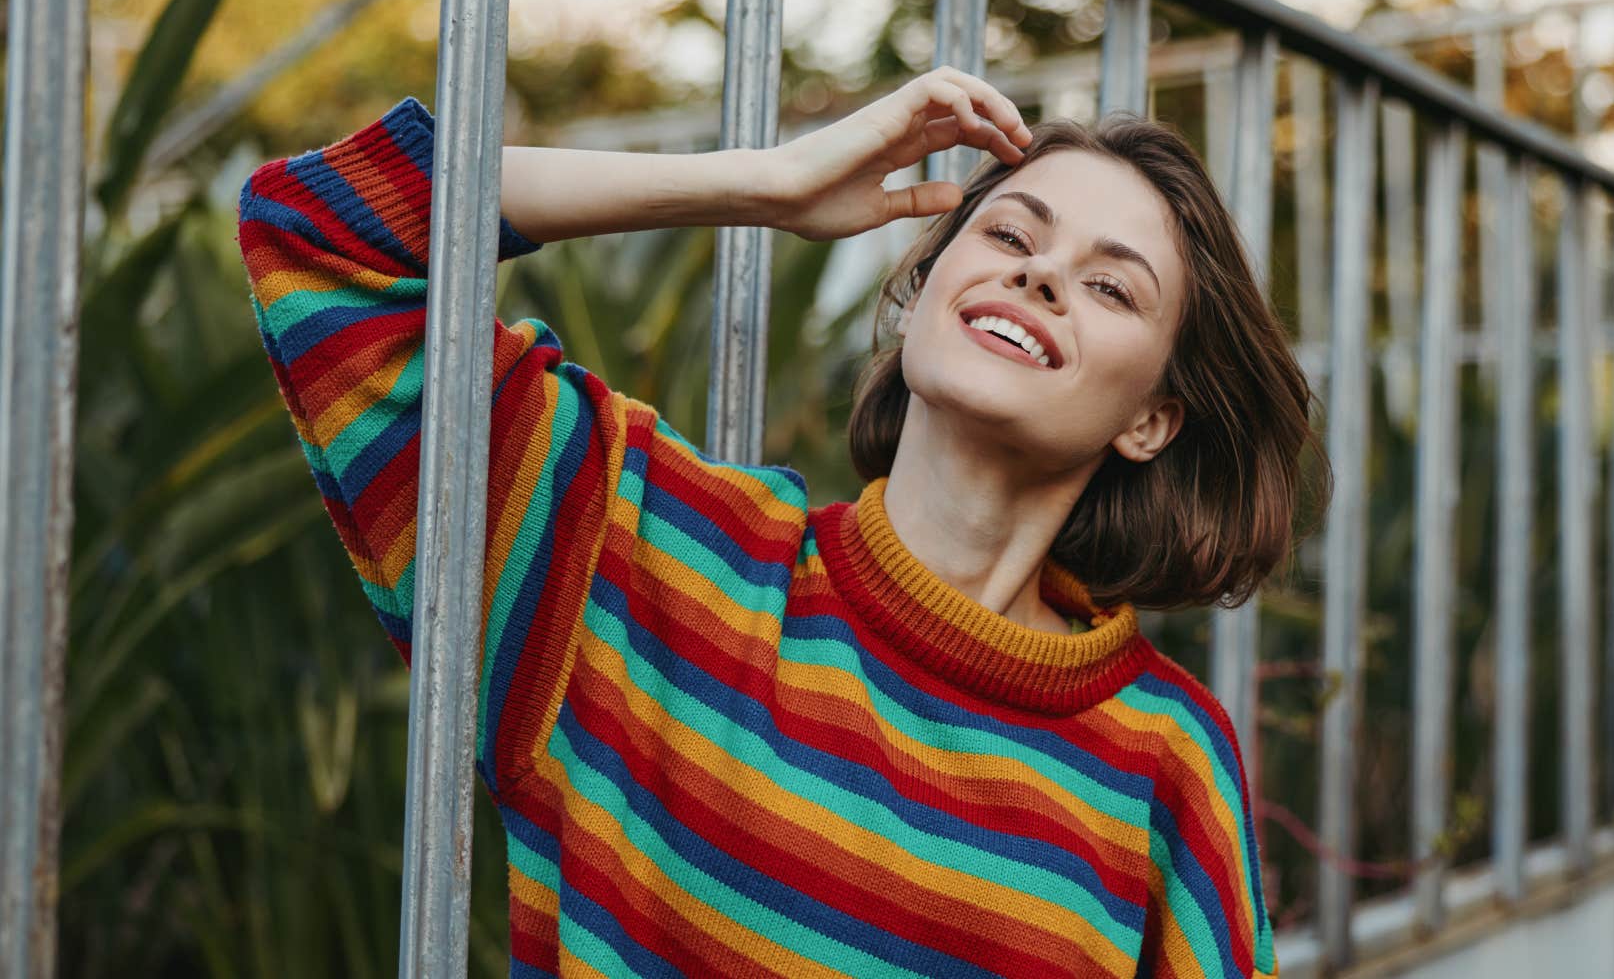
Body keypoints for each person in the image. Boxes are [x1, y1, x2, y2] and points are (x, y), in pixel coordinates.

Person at [237, 65, 1323, 977]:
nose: (1040, 273)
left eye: (1112, 288)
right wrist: (770, 180)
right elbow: (320, 228)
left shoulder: (1168, 759)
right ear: (929, 286)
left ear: (1151, 419)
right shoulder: (642, 551)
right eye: (1008, 233)